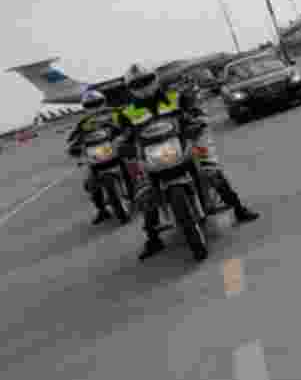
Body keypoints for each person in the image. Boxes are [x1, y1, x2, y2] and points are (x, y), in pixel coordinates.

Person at [119, 63, 260, 261]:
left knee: (211, 170)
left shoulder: (175, 98)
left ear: (155, 79)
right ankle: (152, 238)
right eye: (137, 84)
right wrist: (121, 145)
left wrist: (198, 120)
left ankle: (239, 209)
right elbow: (122, 136)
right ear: (130, 88)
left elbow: (196, 111)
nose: (143, 86)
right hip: (151, 154)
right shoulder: (127, 113)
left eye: (146, 80)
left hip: (184, 143)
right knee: (144, 193)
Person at [67, 89, 130, 225]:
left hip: (118, 148)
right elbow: (73, 139)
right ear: (85, 108)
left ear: (103, 102)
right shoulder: (84, 122)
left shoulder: (117, 113)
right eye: (90, 105)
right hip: (97, 154)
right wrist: (73, 148)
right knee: (90, 181)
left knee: (136, 163)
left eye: (97, 103)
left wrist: (124, 136)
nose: (94, 107)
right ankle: (102, 210)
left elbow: (130, 126)